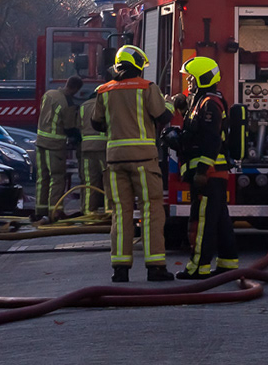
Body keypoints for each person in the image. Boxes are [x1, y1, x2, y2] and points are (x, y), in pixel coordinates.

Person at [94, 45, 174, 283]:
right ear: (138, 65)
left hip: (115, 161)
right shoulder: (147, 87)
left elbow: (97, 123)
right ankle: (155, 267)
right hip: (143, 160)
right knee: (151, 210)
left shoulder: (104, 90)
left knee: (121, 213)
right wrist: (169, 103)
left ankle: (120, 269)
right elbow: (163, 117)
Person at [175, 55, 237, 278]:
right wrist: (183, 109)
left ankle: (198, 268)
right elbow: (197, 131)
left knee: (202, 222)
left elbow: (211, 140)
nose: (188, 82)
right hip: (213, 173)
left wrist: (201, 171)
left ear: (201, 77)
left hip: (209, 174)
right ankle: (228, 263)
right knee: (219, 219)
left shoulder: (209, 103)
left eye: (190, 78)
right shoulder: (203, 101)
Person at [33, 76, 83, 223]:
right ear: (75, 89)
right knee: (57, 178)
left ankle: (39, 211)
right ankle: (54, 212)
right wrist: (78, 137)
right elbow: (69, 128)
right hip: (54, 146)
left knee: (42, 178)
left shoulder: (48, 94)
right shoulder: (67, 103)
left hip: (40, 142)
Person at [78, 90, 107, 217]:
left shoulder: (83, 106)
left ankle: (89, 211)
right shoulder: (106, 103)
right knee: (108, 180)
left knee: (89, 181)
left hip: (86, 148)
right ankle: (109, 211)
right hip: (104, 147)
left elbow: (78, 126)